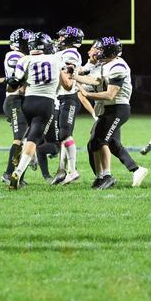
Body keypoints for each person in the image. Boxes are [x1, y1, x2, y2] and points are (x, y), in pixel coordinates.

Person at [72, 37, 149, 188]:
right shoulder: (106, 64)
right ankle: (108, 175)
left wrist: (86, 94)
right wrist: (75, 77)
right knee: (97, 143)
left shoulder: (118, 66)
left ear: (109, 51)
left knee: (101, 141)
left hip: (117, 108)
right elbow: (96, 81)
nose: (98, 52)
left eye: (100, 49)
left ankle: (107, 176)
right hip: (108, 108)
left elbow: (110, 94)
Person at [7, 32, 73, 189]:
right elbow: (67, 86)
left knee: (25, 137)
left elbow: (13, 86)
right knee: (33, 139)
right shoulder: (56, 59)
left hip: (28, 102)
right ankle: (18, 171)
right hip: (46, 102)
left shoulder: (25, 59)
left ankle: (15, 169)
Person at [49, 26, 88, 185]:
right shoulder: (63, 53)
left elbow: (67, 83)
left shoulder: (70, 53)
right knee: (62, 136)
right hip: (61, 98)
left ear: (69, 39)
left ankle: (72, 170)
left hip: (68, 97)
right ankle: (61, 169)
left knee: (65, 134)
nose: (59, 40)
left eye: (62, 37)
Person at [1, 28, 32, 184]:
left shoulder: (21, 56)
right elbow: (15, 82)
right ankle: (8, 173)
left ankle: (19, 175)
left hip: (20, 100)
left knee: (26, 139)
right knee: (19, 139)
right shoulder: (14, 55)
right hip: (15, 100)